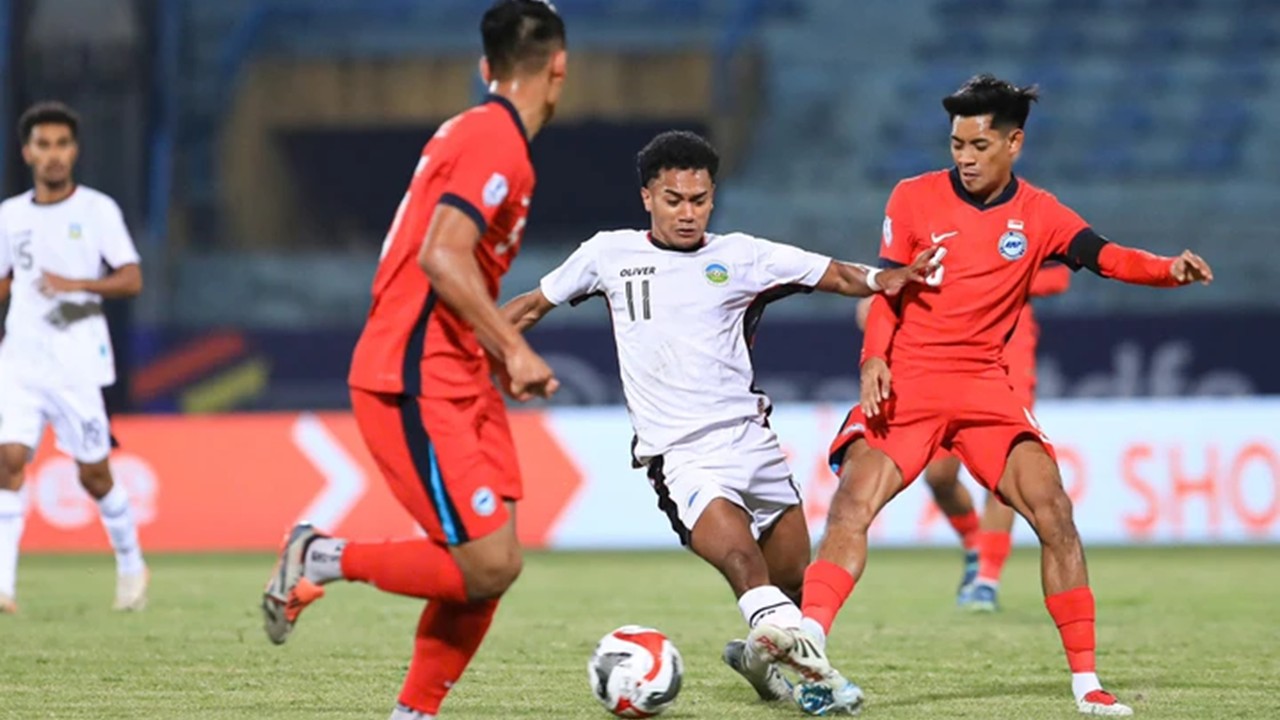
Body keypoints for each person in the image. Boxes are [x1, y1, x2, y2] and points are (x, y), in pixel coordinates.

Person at [749, 74, 1213, 717]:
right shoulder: (913, 197)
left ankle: (1087, 684)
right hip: (909, 381)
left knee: (1054, 512)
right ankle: (811, 641)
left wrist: (1168, 269)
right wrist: (874, 358)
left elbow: (1106, 257)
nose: (963, 157)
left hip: (986, 388)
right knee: (854, 504)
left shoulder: (1042, 215)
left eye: (977, 145)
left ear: (1014, 143)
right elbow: (891, 288)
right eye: (955, 144)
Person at [501, 129, 940, 709]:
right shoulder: (608, 254)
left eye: (700, 199)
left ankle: (760, 661)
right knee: (741, 562)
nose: (688, 213)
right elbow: (531, 305)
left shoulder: (742, 256)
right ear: (647, 198)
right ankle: (817, 683)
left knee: (793, 580)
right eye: (674, 199)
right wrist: (467, 349)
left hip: (750, 442)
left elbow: (834, 273)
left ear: (712, 196)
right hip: (678, 454)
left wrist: (886, 277)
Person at [259, 3, 566, 719]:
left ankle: (413, 713)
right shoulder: (496, 141)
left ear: (486, 67)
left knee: (492, 567)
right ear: (559, 68)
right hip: (415, 375)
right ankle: (318, 557)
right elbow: (440, 254)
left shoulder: (475, 130)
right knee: (486, 563)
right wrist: (513, 348)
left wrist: (491, 348)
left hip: (456, 372)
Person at [0, 101, 148, 614]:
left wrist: (77, 284)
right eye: (43, 145)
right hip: (18, 360)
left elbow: (131, 277)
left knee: (94, 476)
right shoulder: (10, 216)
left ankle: (131, 563)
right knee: (8, 460)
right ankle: (4, 586)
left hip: (77, 363)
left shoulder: (97, 210)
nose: (54, 155)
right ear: (27, 152)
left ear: (75, 151)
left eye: (62, 144)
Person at [856, 261, 1071, 612]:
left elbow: (1058, 277)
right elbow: (885, 286)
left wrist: (988, 281)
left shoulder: (1022, 213)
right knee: (939, 476)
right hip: (943, 355)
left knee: (1007, 468)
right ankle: (974, 544)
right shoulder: (929, 218)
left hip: (1005, 352)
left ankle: (986, 579)